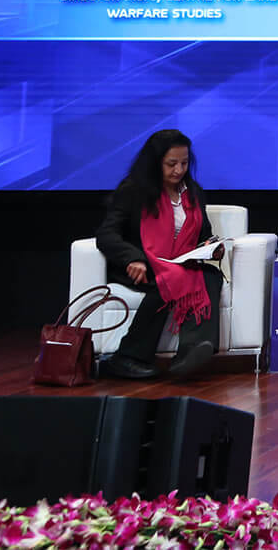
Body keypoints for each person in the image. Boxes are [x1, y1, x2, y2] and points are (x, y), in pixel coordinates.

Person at [94, 129, 223, 380]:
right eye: (171, 164)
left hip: (179, 263)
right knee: (168, 280)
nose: (179, 170)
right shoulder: (133, 190)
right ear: (155, 162)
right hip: (142, 264)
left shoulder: (193, 191)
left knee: (210, 276)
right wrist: (132, 258)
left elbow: (203, 234)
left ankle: (189, 354)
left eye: (184, 163)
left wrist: (210, 246)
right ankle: (128, 357)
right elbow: (107, 234)